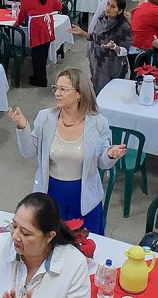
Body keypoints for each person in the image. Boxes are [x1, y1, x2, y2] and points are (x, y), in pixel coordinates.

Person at [8, 70, 126, 234]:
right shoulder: (45, 118)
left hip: (84, 197)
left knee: (85, 245)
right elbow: (29, 152)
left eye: (64, 89)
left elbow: (102, 162)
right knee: (51, 243)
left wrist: (110, 155)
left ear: (79, 94)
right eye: (56, 88)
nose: (57, 93)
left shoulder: (98, 123)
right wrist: (22, 127)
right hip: (51, 193)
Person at [71, 0, 131, 92]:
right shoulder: (101, 19)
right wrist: (82, 33)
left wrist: (114, 47)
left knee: (109, 95)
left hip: (113, 66)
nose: (108, 8)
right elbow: (95, 38)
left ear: (120, 11)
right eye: (108, 4)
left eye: (113, 7)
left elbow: (125, 50)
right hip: (97, 63)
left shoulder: (123, 27)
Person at [15, 0, 61, 88]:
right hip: (48, 24)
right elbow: (58, 6)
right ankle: (40, 76)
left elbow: (22, 14)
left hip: (37, 25)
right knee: (43, 53)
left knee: (37, 54)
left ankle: (40, 79)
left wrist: (16, 24)